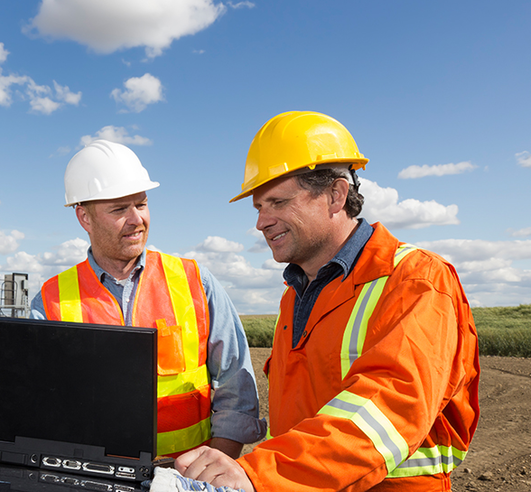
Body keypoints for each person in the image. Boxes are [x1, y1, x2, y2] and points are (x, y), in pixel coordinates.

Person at [174, 112, 480, 491]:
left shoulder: (415, 279)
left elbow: (389, 409)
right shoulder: (295, 295)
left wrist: (259, 475)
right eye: (258, 207)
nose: (261, 222)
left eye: (278, 202)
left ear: (336, 195)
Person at [31, 139, 267, 458]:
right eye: (119, 209)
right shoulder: (50, 301)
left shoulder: (196, 281)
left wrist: (214, 467)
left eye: (141, 205)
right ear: (84, 218)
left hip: (186, 479)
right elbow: (39, 404)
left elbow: (235, 387)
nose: (137, 219)